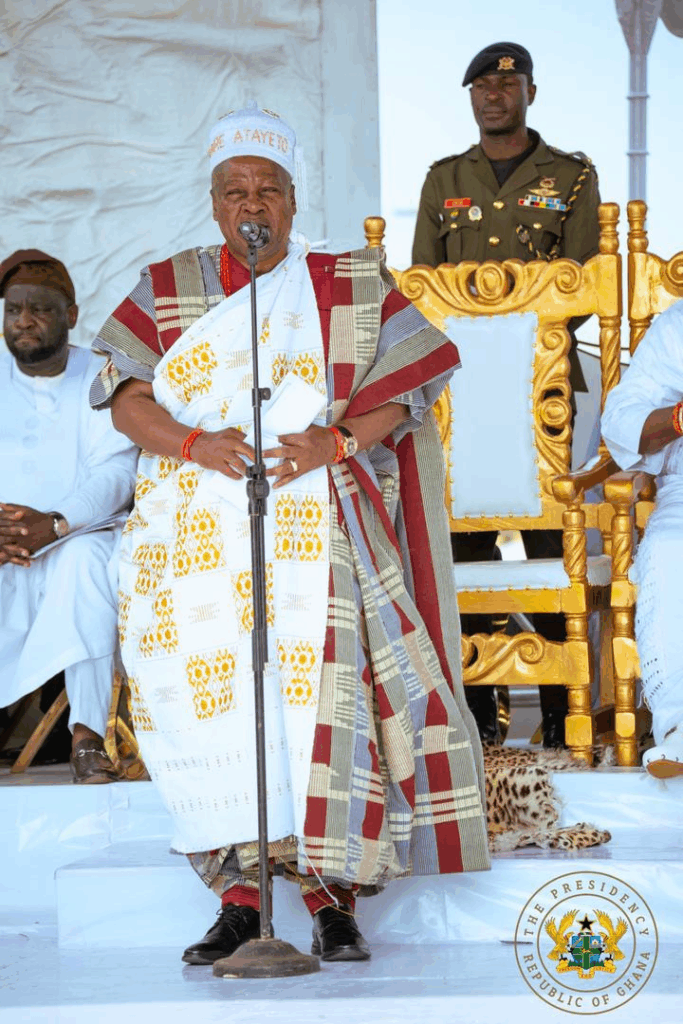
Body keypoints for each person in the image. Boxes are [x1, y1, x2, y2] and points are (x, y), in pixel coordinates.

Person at [90, 105, 490, 966]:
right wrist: (194, 444)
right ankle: (239, 900)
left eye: (267, 189)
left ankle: (329, 899)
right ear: (213, 203)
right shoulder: (165, 285)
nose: (251, 204)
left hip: (318, 530)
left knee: (319, 706)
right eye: (235, 191)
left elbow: (413, 381)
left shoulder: (346, 283)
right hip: (192, 538)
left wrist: (334, 442)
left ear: (293, 199)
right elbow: (124, 397)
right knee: (215, 710)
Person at [411, 42, 602, 747]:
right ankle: (480, 721)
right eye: (481, 88)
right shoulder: (444, 179)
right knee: (466, 549)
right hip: (457, 396)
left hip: (540, 388)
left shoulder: (571, 178)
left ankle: (558, 715)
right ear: (471, 98)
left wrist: (517, 342)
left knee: (554, 544)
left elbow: (583, 284)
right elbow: (422, 286)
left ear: (529, 93)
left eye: (506, 85)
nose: (493, 97)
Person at [0, 250, 138, 782]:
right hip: (7, 546)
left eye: (39, 309)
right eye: (13, 310)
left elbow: (116, 473)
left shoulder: (100, 377)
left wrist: (56, 524)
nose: (24, 321)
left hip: (79, 534)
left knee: (83, 563)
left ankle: (86, 736)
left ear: (71, 315)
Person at [602, 301, 683, 778]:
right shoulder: (677, 326)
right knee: (670, 552)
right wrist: (678, 417)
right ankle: (679, 728)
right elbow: (622, 417)